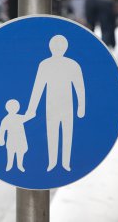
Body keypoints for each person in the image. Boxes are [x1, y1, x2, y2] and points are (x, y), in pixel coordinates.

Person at [25, 35, 85, 172]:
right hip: (51, 106)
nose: (58, 48)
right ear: (50, 47)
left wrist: (81, 107)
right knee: (51, 134)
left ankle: (65, 163)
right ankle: (52, 162)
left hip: (67, 106)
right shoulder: (45, 65)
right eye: (55, 46)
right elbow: (38, 88)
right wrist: (31, 109)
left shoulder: (72, 65)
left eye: (60, 46)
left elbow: (80, 88)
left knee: (67, 134)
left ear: (65, 48)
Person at [0, 99, 29, 172]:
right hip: (11, 140)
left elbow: (27, 117)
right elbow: (2, 131)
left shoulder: (19, 117)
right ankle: (9, 165)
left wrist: (30, 113)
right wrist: (1, 140)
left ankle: (20, 165)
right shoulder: (6, 119)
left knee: (20, 153)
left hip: (20, 140)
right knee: (10, 153)